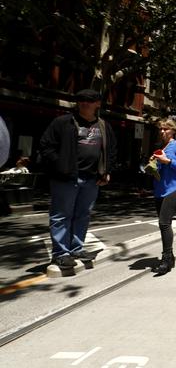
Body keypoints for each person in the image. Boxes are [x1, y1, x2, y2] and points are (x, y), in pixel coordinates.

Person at [39, 89, 117, 268]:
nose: (85, 103)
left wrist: (106, 171)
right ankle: (60, 253)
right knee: (61, 216)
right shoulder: (63, 122)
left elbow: (111, 150)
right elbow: (46, 146)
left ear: (98, 103)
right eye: (81, 99)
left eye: (90, 100)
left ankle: (76, 248)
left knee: (82, 215)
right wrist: (60, 165)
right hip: (66, 178)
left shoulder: (104, 126)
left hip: (92, 179)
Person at [150, 118, 176, 275]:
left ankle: (166, 259)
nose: (162, 132)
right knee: (163, 224)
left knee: (164, 222)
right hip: (160, 189)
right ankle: (170, 256)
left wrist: (168, 161)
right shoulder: (160, 148)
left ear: (173, 131)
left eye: (165, 129)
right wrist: (152, 165)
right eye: (160, 129)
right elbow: (160, 170)